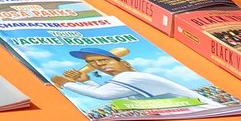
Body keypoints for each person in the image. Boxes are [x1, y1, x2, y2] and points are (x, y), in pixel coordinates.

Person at [51, 49, 209, 102]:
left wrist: (65, 83)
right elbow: (104, 90)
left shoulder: (130, 77)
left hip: (206, 112)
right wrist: (85, 81)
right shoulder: (126, 80)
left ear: (125, 63)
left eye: (103, 60)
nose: (98, 65)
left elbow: (102, 95)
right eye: (93, 63)